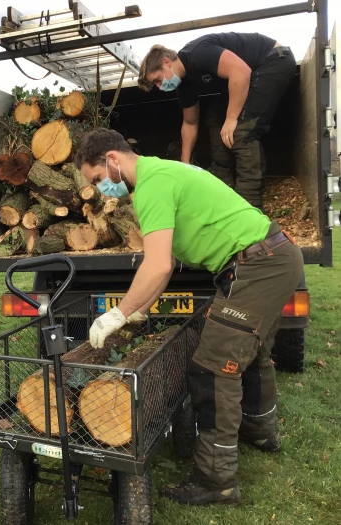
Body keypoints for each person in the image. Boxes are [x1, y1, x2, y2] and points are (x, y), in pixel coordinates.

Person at [75, 129, 303, 505]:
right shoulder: (162, 173)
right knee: (248, 351)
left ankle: (217, 481)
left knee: (213, 368)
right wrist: (142, 310)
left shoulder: (153, 185)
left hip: (259, 264)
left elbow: (159, 264)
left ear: (113, 160)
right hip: (271, 257)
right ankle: (258, 431)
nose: (101, 189)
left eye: (98, 179)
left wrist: (119, 313)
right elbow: (166, 266)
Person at [137, 33, 296, 210]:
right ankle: (224, 188)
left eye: (158, 80)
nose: (160, 87)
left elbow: (241, 72)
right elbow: (190, 123)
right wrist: (185, 163)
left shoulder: (197, 54)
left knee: (242, 130)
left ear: (167, 62)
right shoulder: (184, 86)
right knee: (214, 117)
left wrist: (231, 118)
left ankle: (249, 207)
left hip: (272, 60)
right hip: (250, 74)